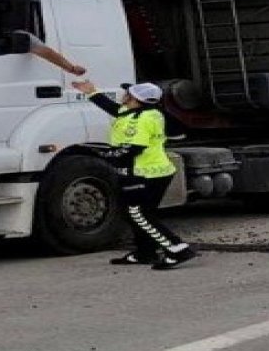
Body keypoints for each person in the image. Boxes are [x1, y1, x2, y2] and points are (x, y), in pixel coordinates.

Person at [71, 78, 197, 270]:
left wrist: (96, 153)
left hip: (144, 173)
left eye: (127, 93)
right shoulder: (140, 112)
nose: (124, 95)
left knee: (138, 215)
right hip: (154, 172)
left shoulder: (142, 119)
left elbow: (131, 149)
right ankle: (146, 253)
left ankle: (177, 249)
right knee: (141, 213)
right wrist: (91, 92)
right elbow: (113, 108)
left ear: (135, 98)